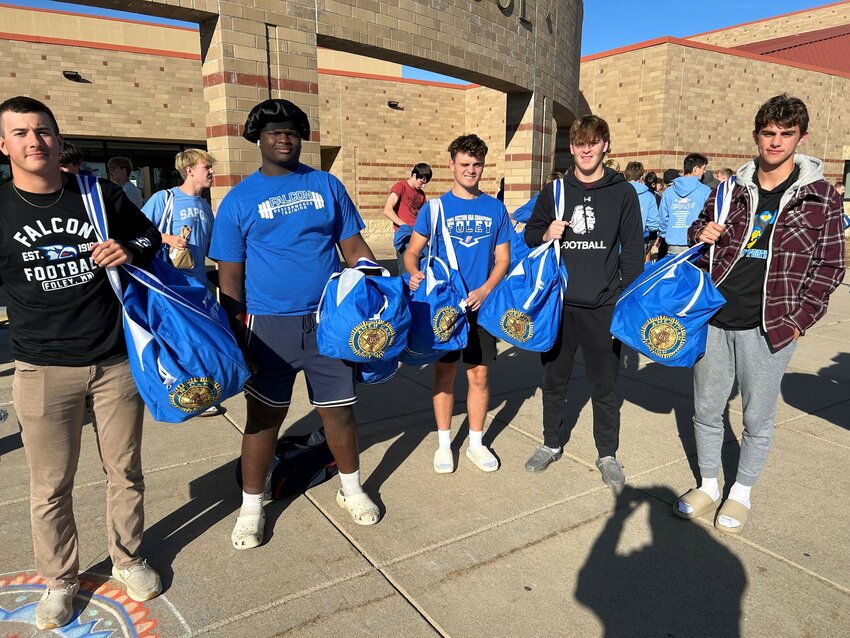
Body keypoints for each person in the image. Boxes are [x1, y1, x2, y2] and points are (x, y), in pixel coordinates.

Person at [0, 96, 163, 630]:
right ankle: (59, 579)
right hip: (42, 368)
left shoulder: (99, 194)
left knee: (125, 470)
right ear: (5, 146)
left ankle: (127, 558)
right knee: (50, 485)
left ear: (57, 136)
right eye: (21, 133)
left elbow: (150, 235)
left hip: (114, 360)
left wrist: (129, 250)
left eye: (43, 130)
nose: (34, 141)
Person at [209, 99, 383, 550]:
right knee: (264, 419)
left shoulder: (326, 184)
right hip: (268, 327)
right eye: (273, 132)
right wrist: (235, 336)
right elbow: (230, 276)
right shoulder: (238, 199)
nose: (283, 137)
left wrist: (374, 290)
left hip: (329, 321)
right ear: (258, 140)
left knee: (339, 413)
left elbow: (353, 245)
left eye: (290, 131)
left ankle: (351, 488)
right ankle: (251, 507)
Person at [675, 94, 845, 533]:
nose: (776, 142)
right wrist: (703, 230)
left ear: (800, 138)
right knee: (707, 408)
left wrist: (799, 320)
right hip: (713, 317)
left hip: (769, 326)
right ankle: (709, 484)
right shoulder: (729, 189)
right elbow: (698, 236)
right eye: (768, 133)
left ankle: (741, 493)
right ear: (756, 135)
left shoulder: (820, 196)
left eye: (786, 134)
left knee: (756, 418)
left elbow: (830, 266)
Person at [523, 115, 643, 494]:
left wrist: (623, 295)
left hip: (602, 306)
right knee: (553, 381)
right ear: (571, 148)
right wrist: (545, 232)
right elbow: (528, 235)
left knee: (604, 385)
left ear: (605, 145)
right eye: (579, 143)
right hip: (559, 306)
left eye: (593, 142)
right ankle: (551, 442)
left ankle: (607, 453)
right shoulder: (555, 191)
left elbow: (634, 251)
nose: (586, 149)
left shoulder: (622, 193)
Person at [403, 134, 511, 474]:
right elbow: (411, 252)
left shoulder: (495, 208)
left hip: (480, 307)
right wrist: (413, 273)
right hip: (446, 309)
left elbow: (503, 259)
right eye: (464, 164)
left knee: (478, 377)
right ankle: (444, 444)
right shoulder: (434, 208)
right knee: (445, 374)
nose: (471, 171)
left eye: (476, 165)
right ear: (451, 165)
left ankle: (476, 444)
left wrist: (485, 289)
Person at [142, 149, 215, 286]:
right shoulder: (164, 198)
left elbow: (210, 246)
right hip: (170, 283)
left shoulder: (205, 206)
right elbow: (136, 229)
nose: (212, 171)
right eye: (207, 167)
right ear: (189, 171)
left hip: (199, 284)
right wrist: (168, 239)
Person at [381, 163, 431, 274]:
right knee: (406, 273)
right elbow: (387, 210)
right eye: (421, 182)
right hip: (405, 236)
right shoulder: (400, 187)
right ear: (414, 175)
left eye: (425, 183)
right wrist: (404, 225)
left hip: (418, 235)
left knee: (424, 268)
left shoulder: (421, 195)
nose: (423, 186)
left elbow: (424, 216)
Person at [659, 153, 711, 255]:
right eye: (703, 168)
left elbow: (663, 218)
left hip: (673, 244)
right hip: (696, 243)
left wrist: (668, 234)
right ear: (695, 169)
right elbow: (709, 217)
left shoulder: (668, 192)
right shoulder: (705, 191)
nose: (704, 172)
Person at [624, 161, 660, 259]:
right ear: (641, 177)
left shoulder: (617, 192)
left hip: (619, 241)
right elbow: (654, 224)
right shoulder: (649, 196)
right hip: (639, 240)